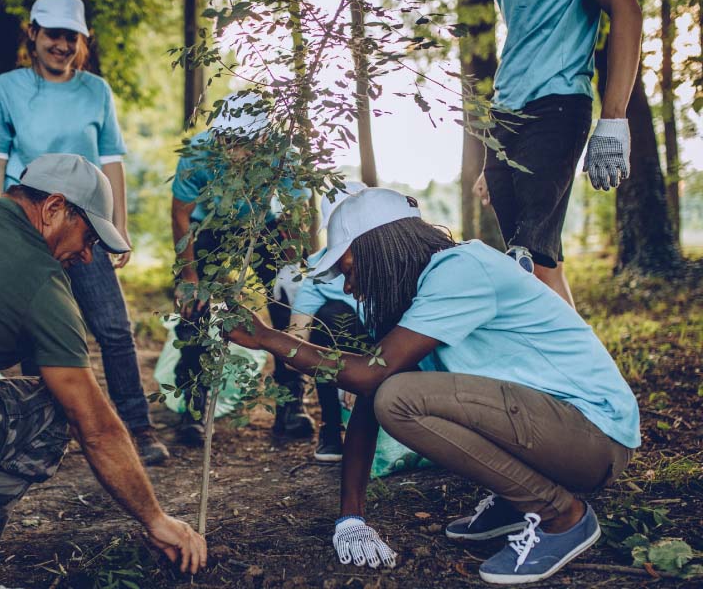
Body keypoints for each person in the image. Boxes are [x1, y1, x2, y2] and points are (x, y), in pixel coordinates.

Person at [227, 188, 640, 584]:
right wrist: (350, 517)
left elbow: (371, 376)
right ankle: (517, 498)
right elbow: (369, 395)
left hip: (593, 438)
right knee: (391, 394)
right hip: (553, 434)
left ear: (380, 248)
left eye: (348, 271)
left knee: (400, 399)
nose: (348, 288)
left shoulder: (461, 269)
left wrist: (268, 338)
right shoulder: (418, 299)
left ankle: (561, 516)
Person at [0, 154, 206, 589]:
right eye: (89, 238)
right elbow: (95, 427)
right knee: (49, 410)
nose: (87, 257)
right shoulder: (42, 282)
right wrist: (155, 518)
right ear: (53, 209)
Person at [0, 0, 169, 465]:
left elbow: (113, 163)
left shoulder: (96, 90)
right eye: (54, 35)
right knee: (29, 331)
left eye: (72, 38)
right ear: (34, 34)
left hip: (88, 224)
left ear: (83, 41)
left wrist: (117, 230)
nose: (62, 45)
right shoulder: (6, 88)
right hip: (33, 225)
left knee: (113, 328)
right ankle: (41, 430)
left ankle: (137, 427)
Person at [476, 0, 642, 307]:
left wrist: (613, 118)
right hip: (504, 114)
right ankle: (583, 358)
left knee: (527, 261)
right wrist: (500, 154)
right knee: (544, 267)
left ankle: (571, 356)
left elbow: (626, 8)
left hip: (557, 105)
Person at [171, 91, 314, 444]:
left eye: (242, 142)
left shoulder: (284, 155)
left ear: (264, 137)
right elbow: (180, 213)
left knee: (287, 305)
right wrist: (189, 275)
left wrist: (292, 261)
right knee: (197, 308)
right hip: (209, 227)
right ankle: (194, 405)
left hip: (264, 226)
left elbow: (300, 214)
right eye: (227, 139)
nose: (232, 150)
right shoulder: (198, 153)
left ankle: (291, 404)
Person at [289, 182, 367, 462]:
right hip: (340, 350)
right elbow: (297, 336)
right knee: (330, 315)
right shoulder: (317, 268)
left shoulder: (391, 258)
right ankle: (331, 428)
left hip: (387, 350)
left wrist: (366, 375)